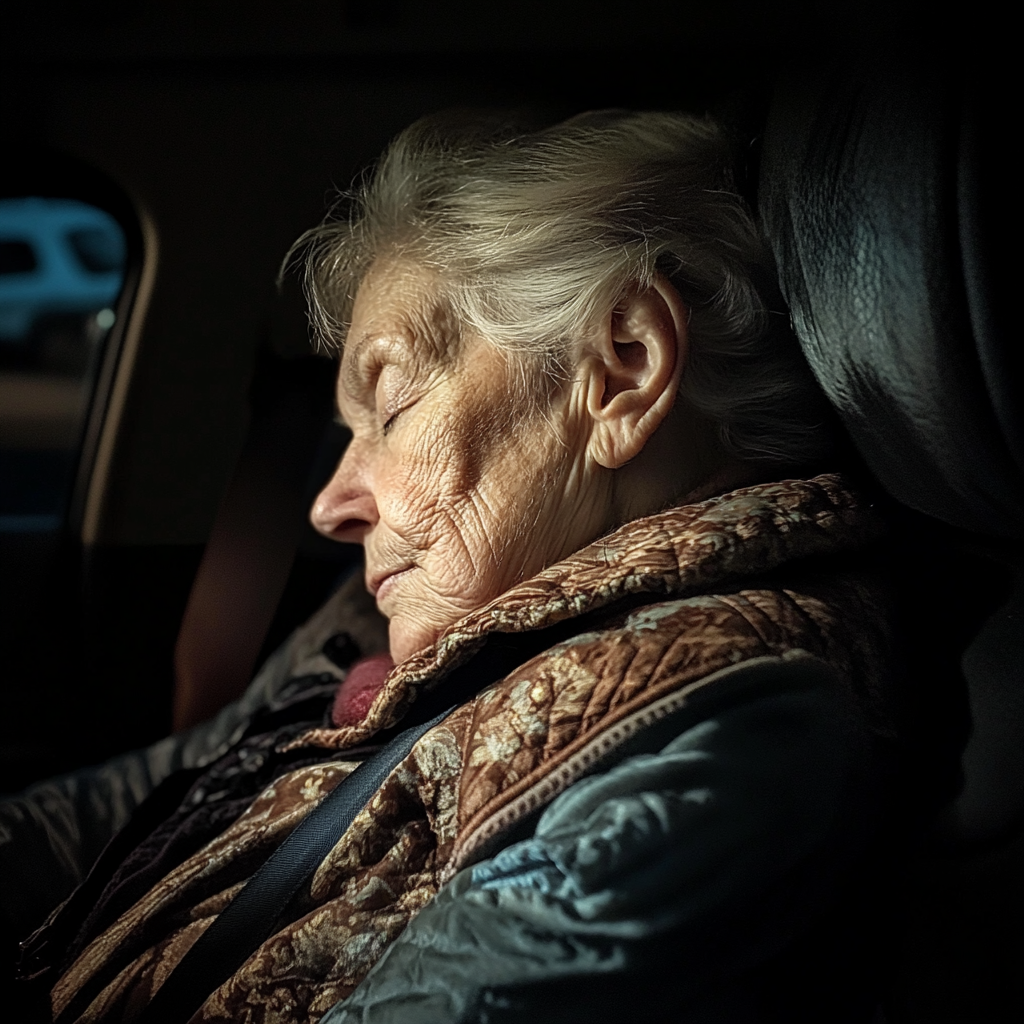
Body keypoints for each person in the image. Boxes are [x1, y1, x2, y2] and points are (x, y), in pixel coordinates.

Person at [5, 111, 898, 1023]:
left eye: (390, 409)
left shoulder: (719, 725)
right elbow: (176, 784)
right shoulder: (400, 622)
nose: (329, 505)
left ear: (622, 370)